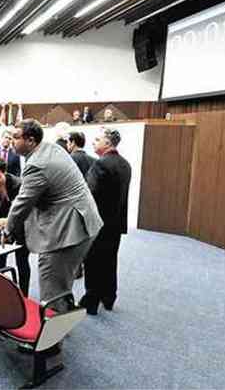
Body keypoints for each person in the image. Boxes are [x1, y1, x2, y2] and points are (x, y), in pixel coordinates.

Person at [3, 119, 103, 312]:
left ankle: (52, 341)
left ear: (31, 140)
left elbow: (23, 203)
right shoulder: (52, 148)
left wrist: (8, 228)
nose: (11, 140)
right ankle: (62, 322)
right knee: (62, 283)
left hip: (69, 231)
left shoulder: (37, 165)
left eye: (15, 137)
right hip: (84, 222)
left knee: (52, 288)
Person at [80, 128, 132, 315]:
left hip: (99, 223)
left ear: (108, 143)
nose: (93, 142)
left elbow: (88, 194)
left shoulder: (100, 165)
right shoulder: (126, 165)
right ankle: (109, 297)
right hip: (116, 223)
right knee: (110, 260)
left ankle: (91, 301)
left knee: (93, 261)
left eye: (97, 139)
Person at [0, 153, 31, 296]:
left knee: (22, 261)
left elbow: (23, 212)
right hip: (4, 228)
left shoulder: (19, 185)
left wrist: (7, 221)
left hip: (22, 226)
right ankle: (0, 293)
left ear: (4, 172)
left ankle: (24, 295)